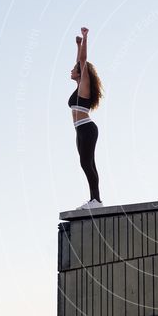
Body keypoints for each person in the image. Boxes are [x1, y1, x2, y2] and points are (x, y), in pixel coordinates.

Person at [69, 26, 104, 209]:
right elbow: (79, 61)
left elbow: (82, 61)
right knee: (87, 164)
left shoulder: (85, 84)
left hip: (87, 128)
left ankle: (96, 200)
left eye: (75, 69)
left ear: (81, 73)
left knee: (86, 163)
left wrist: (85, 37)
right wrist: (78, 45)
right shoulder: (78, 86)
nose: (71, 70)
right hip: (80, 130)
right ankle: (95, 200)